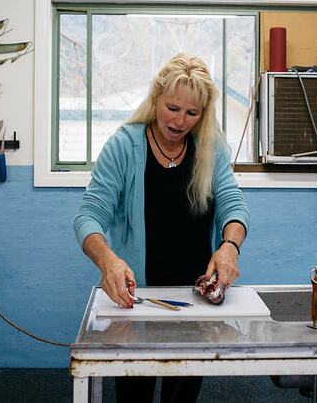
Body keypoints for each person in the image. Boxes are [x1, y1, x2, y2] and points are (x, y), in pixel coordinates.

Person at [74, 53, 250, 403]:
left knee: (181, 397)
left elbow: (233, 205)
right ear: (156, 98)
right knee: (134, 394)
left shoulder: (210, 149)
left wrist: (230, 246)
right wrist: (107, 260)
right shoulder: (123, 146)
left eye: (192, 113)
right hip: (138, 302)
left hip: (195, 302)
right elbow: (89, 216)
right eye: (172, 107)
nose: (179, 121)